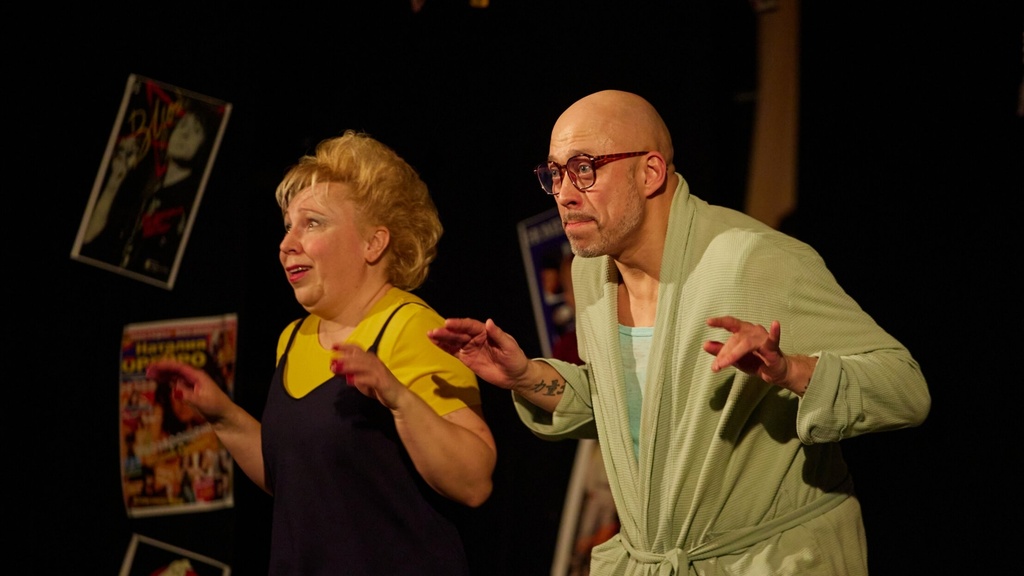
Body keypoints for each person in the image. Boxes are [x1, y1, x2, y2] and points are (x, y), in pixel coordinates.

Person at [428, 90, 930, 575]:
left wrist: (792, 371)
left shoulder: (753, 262)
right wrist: (525, 376)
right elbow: (630, 413)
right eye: (555, 173)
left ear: (650, 172)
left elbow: (905, 388)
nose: (563, 193)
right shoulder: (593, 271)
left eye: (584, 168)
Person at [146, 130, 497, 575]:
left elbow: (473, 482)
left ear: (373, 243)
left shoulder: (412, 326)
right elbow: (298, 481)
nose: (287, 244)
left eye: (312, 223)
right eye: (288, 226)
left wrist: (398, 397)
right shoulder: (293, 338)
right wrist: (223, 417)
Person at [80, 98, 223, 281]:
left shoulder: (190, 202)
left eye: (196, 130)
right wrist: (113, 183)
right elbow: (88, 237)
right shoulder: (146, 190)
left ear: (205, 147)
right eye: (182, 125)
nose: (184, 133)